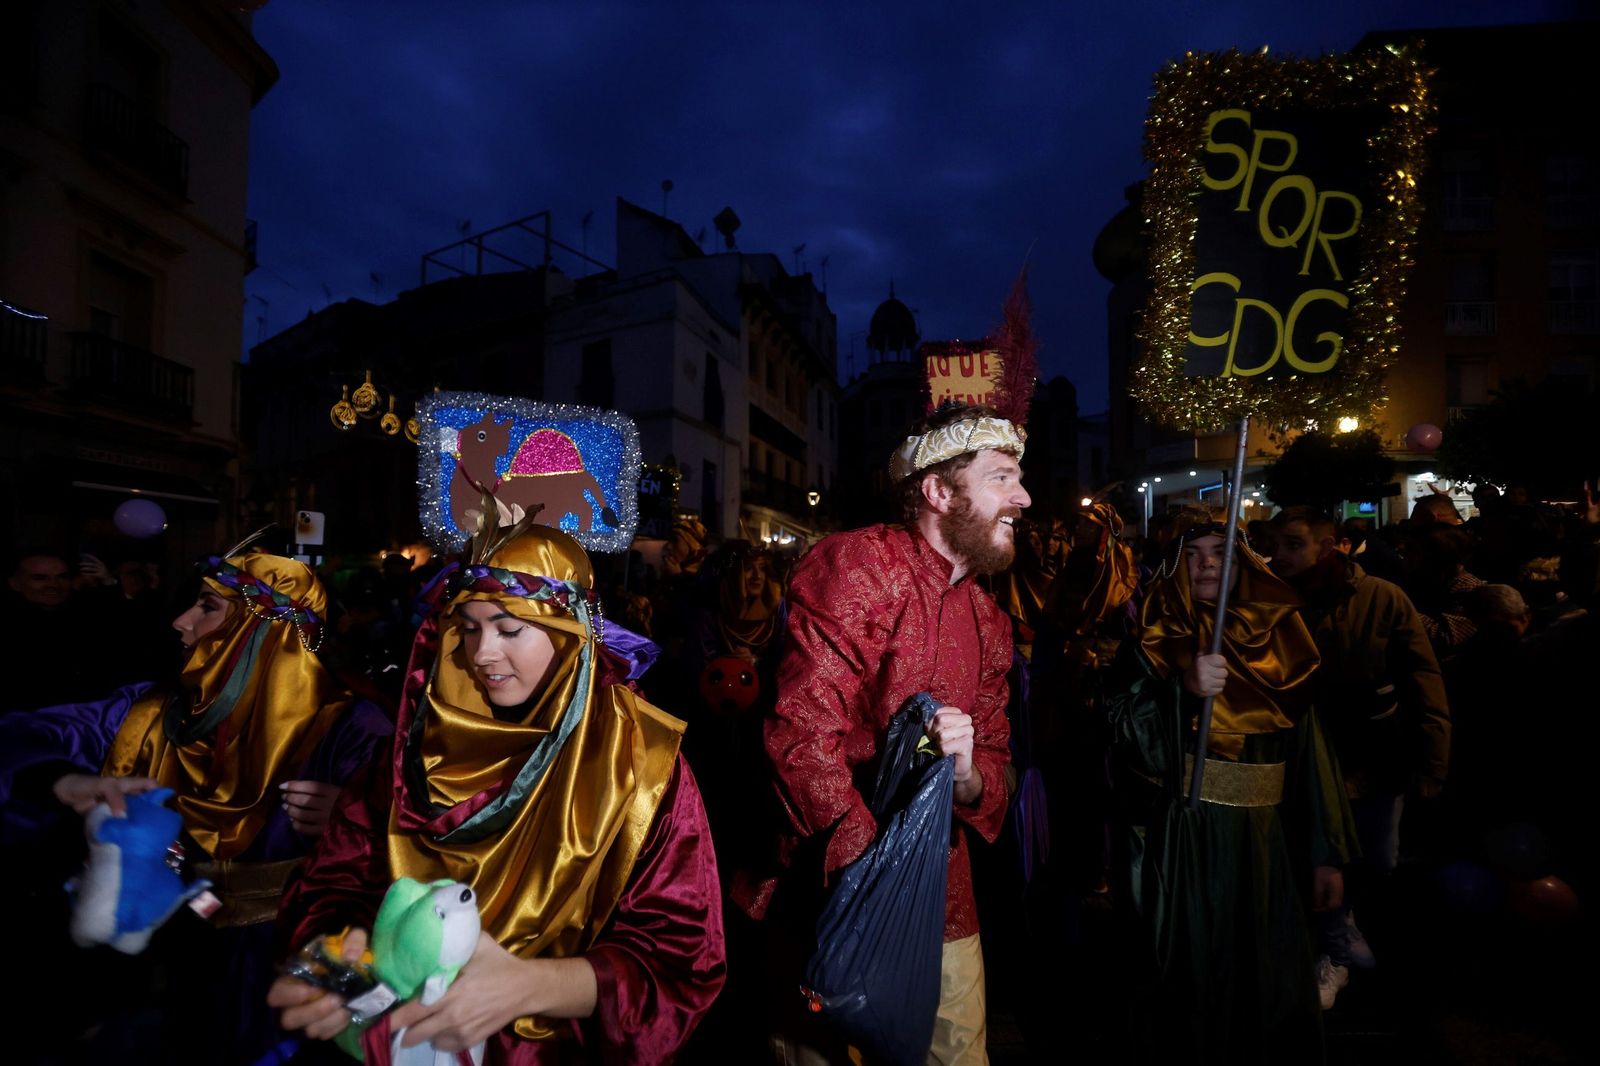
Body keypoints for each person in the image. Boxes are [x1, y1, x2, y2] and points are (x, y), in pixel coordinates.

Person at [270, 521, 726, 1063]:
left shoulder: (641, 764)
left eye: (509, 630)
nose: (482, 653)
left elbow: (678, 959)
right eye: (468, 628)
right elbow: (334, 879)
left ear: (570, 632)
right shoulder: (418, 745)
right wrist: (341, 956)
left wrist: (531, 986)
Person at [0, 550, 391, 1065]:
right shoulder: (149, 711)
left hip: (284, 955)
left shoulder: (350, 726)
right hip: (165, 949)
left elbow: (416, 847)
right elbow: (21, 736)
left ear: (260, 629)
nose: (180, 621)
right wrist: (61, 779)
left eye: (207, 606)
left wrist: (359, 815)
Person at [747, 402, 1025, 1065]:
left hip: (945, 899)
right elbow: (801, 737)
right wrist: (872, 881)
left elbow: (997, 765)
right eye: (1002, 477)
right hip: (830, 892)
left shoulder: (990, 621)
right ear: (939, 492)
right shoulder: (859, 568)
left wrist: (969, 777)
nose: (1023, 497)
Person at [1105, 510, 1355, 1064]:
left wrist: (1326, 854)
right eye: (1193, 556)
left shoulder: (1284, 641)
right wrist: (1181, 691)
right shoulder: (1154, 637)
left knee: (1263, 974)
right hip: (1184, 838)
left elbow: (1311, 752)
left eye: (1221, 554)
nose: (1207, 566)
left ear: (1243, 564)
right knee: (1190, 975)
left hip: (1264, 842)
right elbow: (1118, 731)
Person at [1269, 506, 1449, 1007]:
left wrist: (1433, 757)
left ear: (1326, 546)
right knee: (1319, 851)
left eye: (1292, 544)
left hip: (1374, 749)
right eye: (1275, 544)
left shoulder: (1381, 597)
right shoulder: (1270, 598)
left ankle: (1343, 926)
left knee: (1377, 854)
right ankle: (1332, 945)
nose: (1279, 555)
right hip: (1305, 751)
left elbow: (1422, 677)